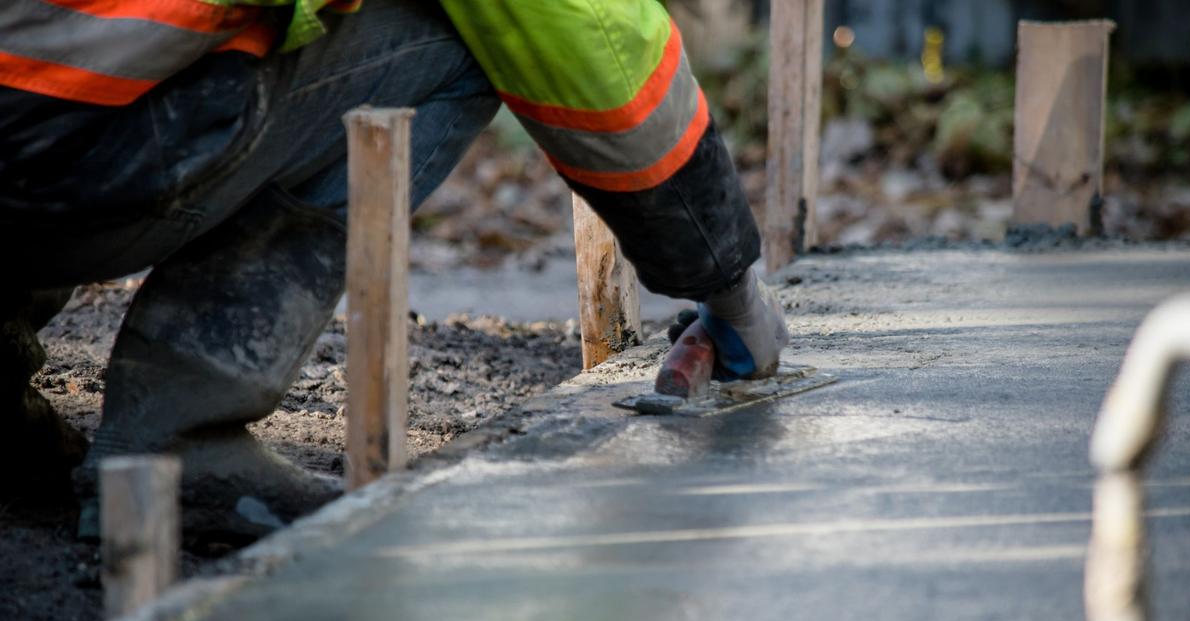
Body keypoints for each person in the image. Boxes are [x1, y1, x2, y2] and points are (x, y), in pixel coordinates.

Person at [0, 0, 788, 543]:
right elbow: (586, 35)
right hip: (52, 143)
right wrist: (728, 281)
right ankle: (178, 438)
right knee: (461, 36)